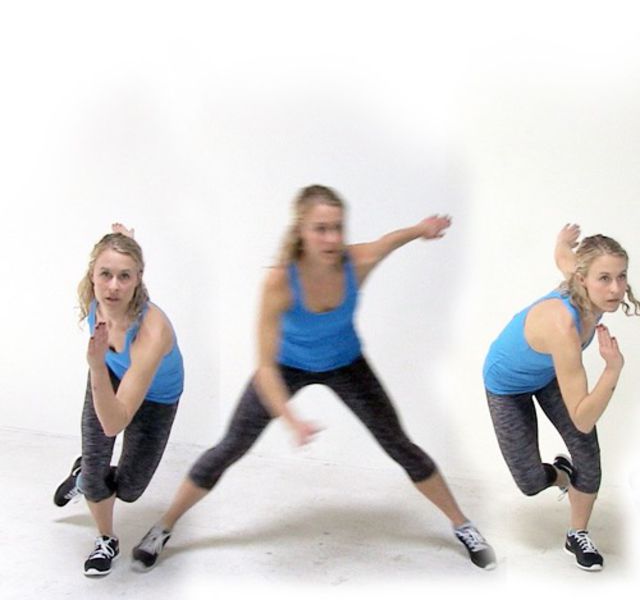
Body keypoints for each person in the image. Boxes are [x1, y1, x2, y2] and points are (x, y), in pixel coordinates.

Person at [131, 184, 496, 572]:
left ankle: (463, 525)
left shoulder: (357, 263)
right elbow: (266, 366)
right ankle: (163, 527)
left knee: (399, 444)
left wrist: (421, 229)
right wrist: (291, 419)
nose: (332, 238)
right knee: (230, 447)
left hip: (346, 363)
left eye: (338, 227)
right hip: (286, 366)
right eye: (321, 229)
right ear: (301, 231)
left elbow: (388, 242)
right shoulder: (279, 282)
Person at [483, 224, 639, 571]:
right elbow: (583, 417)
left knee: (588, 455)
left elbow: (563, 257)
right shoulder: (563, 326)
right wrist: (612, 370)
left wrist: (562, 242)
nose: (615, 289)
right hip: (507, 385)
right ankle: (561, 475)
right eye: (604, 278)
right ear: (583, 279)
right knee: (529, 482)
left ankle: (577, 534)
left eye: (621, 276)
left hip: (549, 373)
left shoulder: (584, 279)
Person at [53, 224, 184, 576]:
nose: (113, 286)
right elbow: (107, 424)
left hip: (157, 396)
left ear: (138, 279)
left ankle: (83, 475)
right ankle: (106, 539)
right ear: (92, 275)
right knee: (97, 475)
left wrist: (96, 364)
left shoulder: (152, 331)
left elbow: (115, 423)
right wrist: (99, 369)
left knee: (129, 489)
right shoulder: (93, 300)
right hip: (108, 373)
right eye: (105, 274)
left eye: (124, 276)